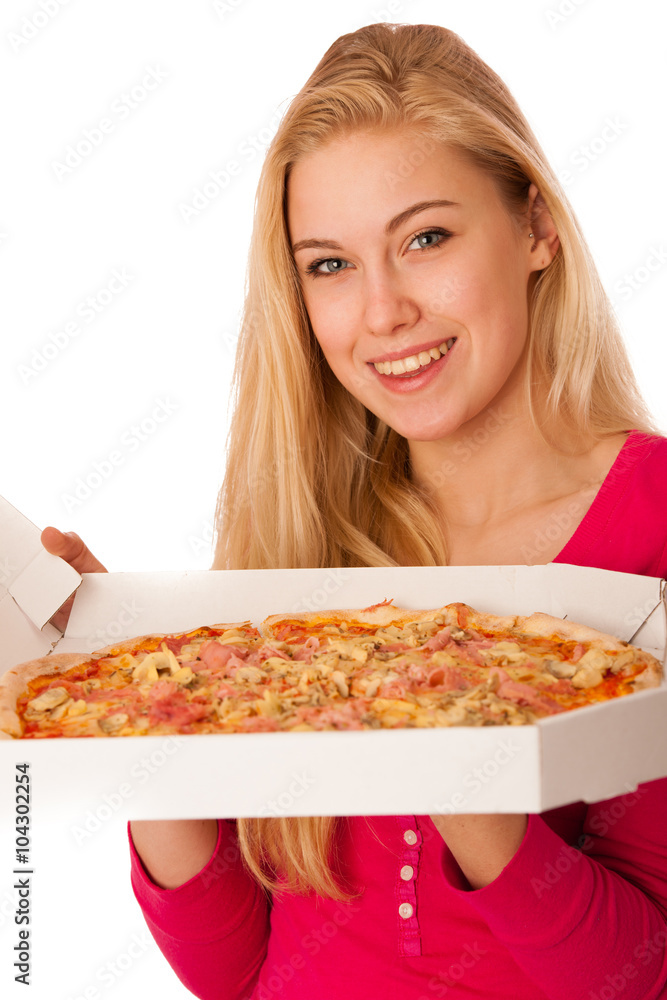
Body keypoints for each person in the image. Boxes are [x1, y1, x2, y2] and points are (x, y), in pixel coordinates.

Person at [42, 22, 667, 1000]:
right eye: (330, 264)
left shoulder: (652, 535)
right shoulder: (307, 545)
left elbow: (640, 978)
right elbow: (236, 973)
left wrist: (469, 764)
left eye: (425, 239)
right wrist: (137, 720)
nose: (381, 314)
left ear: (536, 228)